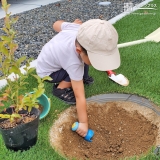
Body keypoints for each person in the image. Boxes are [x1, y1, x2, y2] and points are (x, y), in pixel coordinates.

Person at [36, 19, 120, 137]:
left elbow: (55, 24)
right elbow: (79, 96)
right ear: (79, 50)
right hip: (49, 73)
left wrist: (72, 24)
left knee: (82, 65)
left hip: (55, 59)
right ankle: (60, 89)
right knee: (78, 71)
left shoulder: (78, 29)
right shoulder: (73, 62)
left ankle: (82, 76)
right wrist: (83, 123)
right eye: (96, 58)